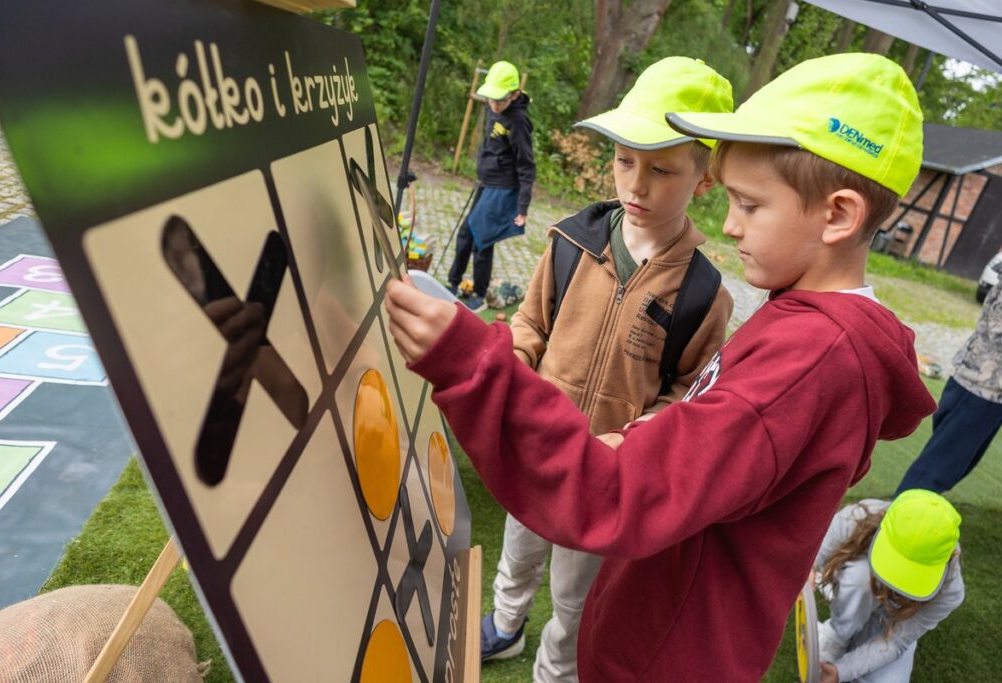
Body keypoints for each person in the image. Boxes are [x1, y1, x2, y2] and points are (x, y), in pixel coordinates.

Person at [384, 53, 937, 681]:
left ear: (838, 215)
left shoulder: (810, 359)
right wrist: (650, 435)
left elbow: (620, 495)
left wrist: (468, 362)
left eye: (749, 205)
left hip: (657, 657)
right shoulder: (806, 330)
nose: (728, 226)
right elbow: (726, 443)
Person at [481, 57, 735, 682]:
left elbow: (688, 392)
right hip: (538, 448)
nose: (636, 185)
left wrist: (637, 437)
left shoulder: (705, 293)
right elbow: (529, 325)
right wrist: (517, 373)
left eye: (662, 169)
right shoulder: (570, 241)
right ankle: (506, 625)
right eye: (625, 161)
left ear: (704, 180)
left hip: (606, 478)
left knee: (575, 594)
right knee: (519, 550)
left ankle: (556, 670)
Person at [813, 491, 964, 683]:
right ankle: (837, 636)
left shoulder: (951, 592)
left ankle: (849, 640)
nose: (896, 581)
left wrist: (841, 671)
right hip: (855, 592)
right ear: (882, 520)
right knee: (860, 577)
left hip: (891, 623)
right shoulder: (856, 517)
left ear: (949, 558)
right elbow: (811, 558)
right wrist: (808, 571)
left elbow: (896, 641)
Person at [896, 265, 1002, 494]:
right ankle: (893, 524)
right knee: (933, 474)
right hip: (980, 387)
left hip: (988, 389)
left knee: (952, 468)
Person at [446, 60, 535, 312]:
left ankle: (479, 293)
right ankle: (452, 283)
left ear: (515, 94)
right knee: (465, 233)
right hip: (486, 182)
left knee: (481, 240)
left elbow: (527, 166)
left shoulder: (518, 121)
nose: (494, 105)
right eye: (491, 99)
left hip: (504, 187)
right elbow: (490, 145)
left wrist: (522, 206)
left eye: (500, 101)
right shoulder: (491, 108)